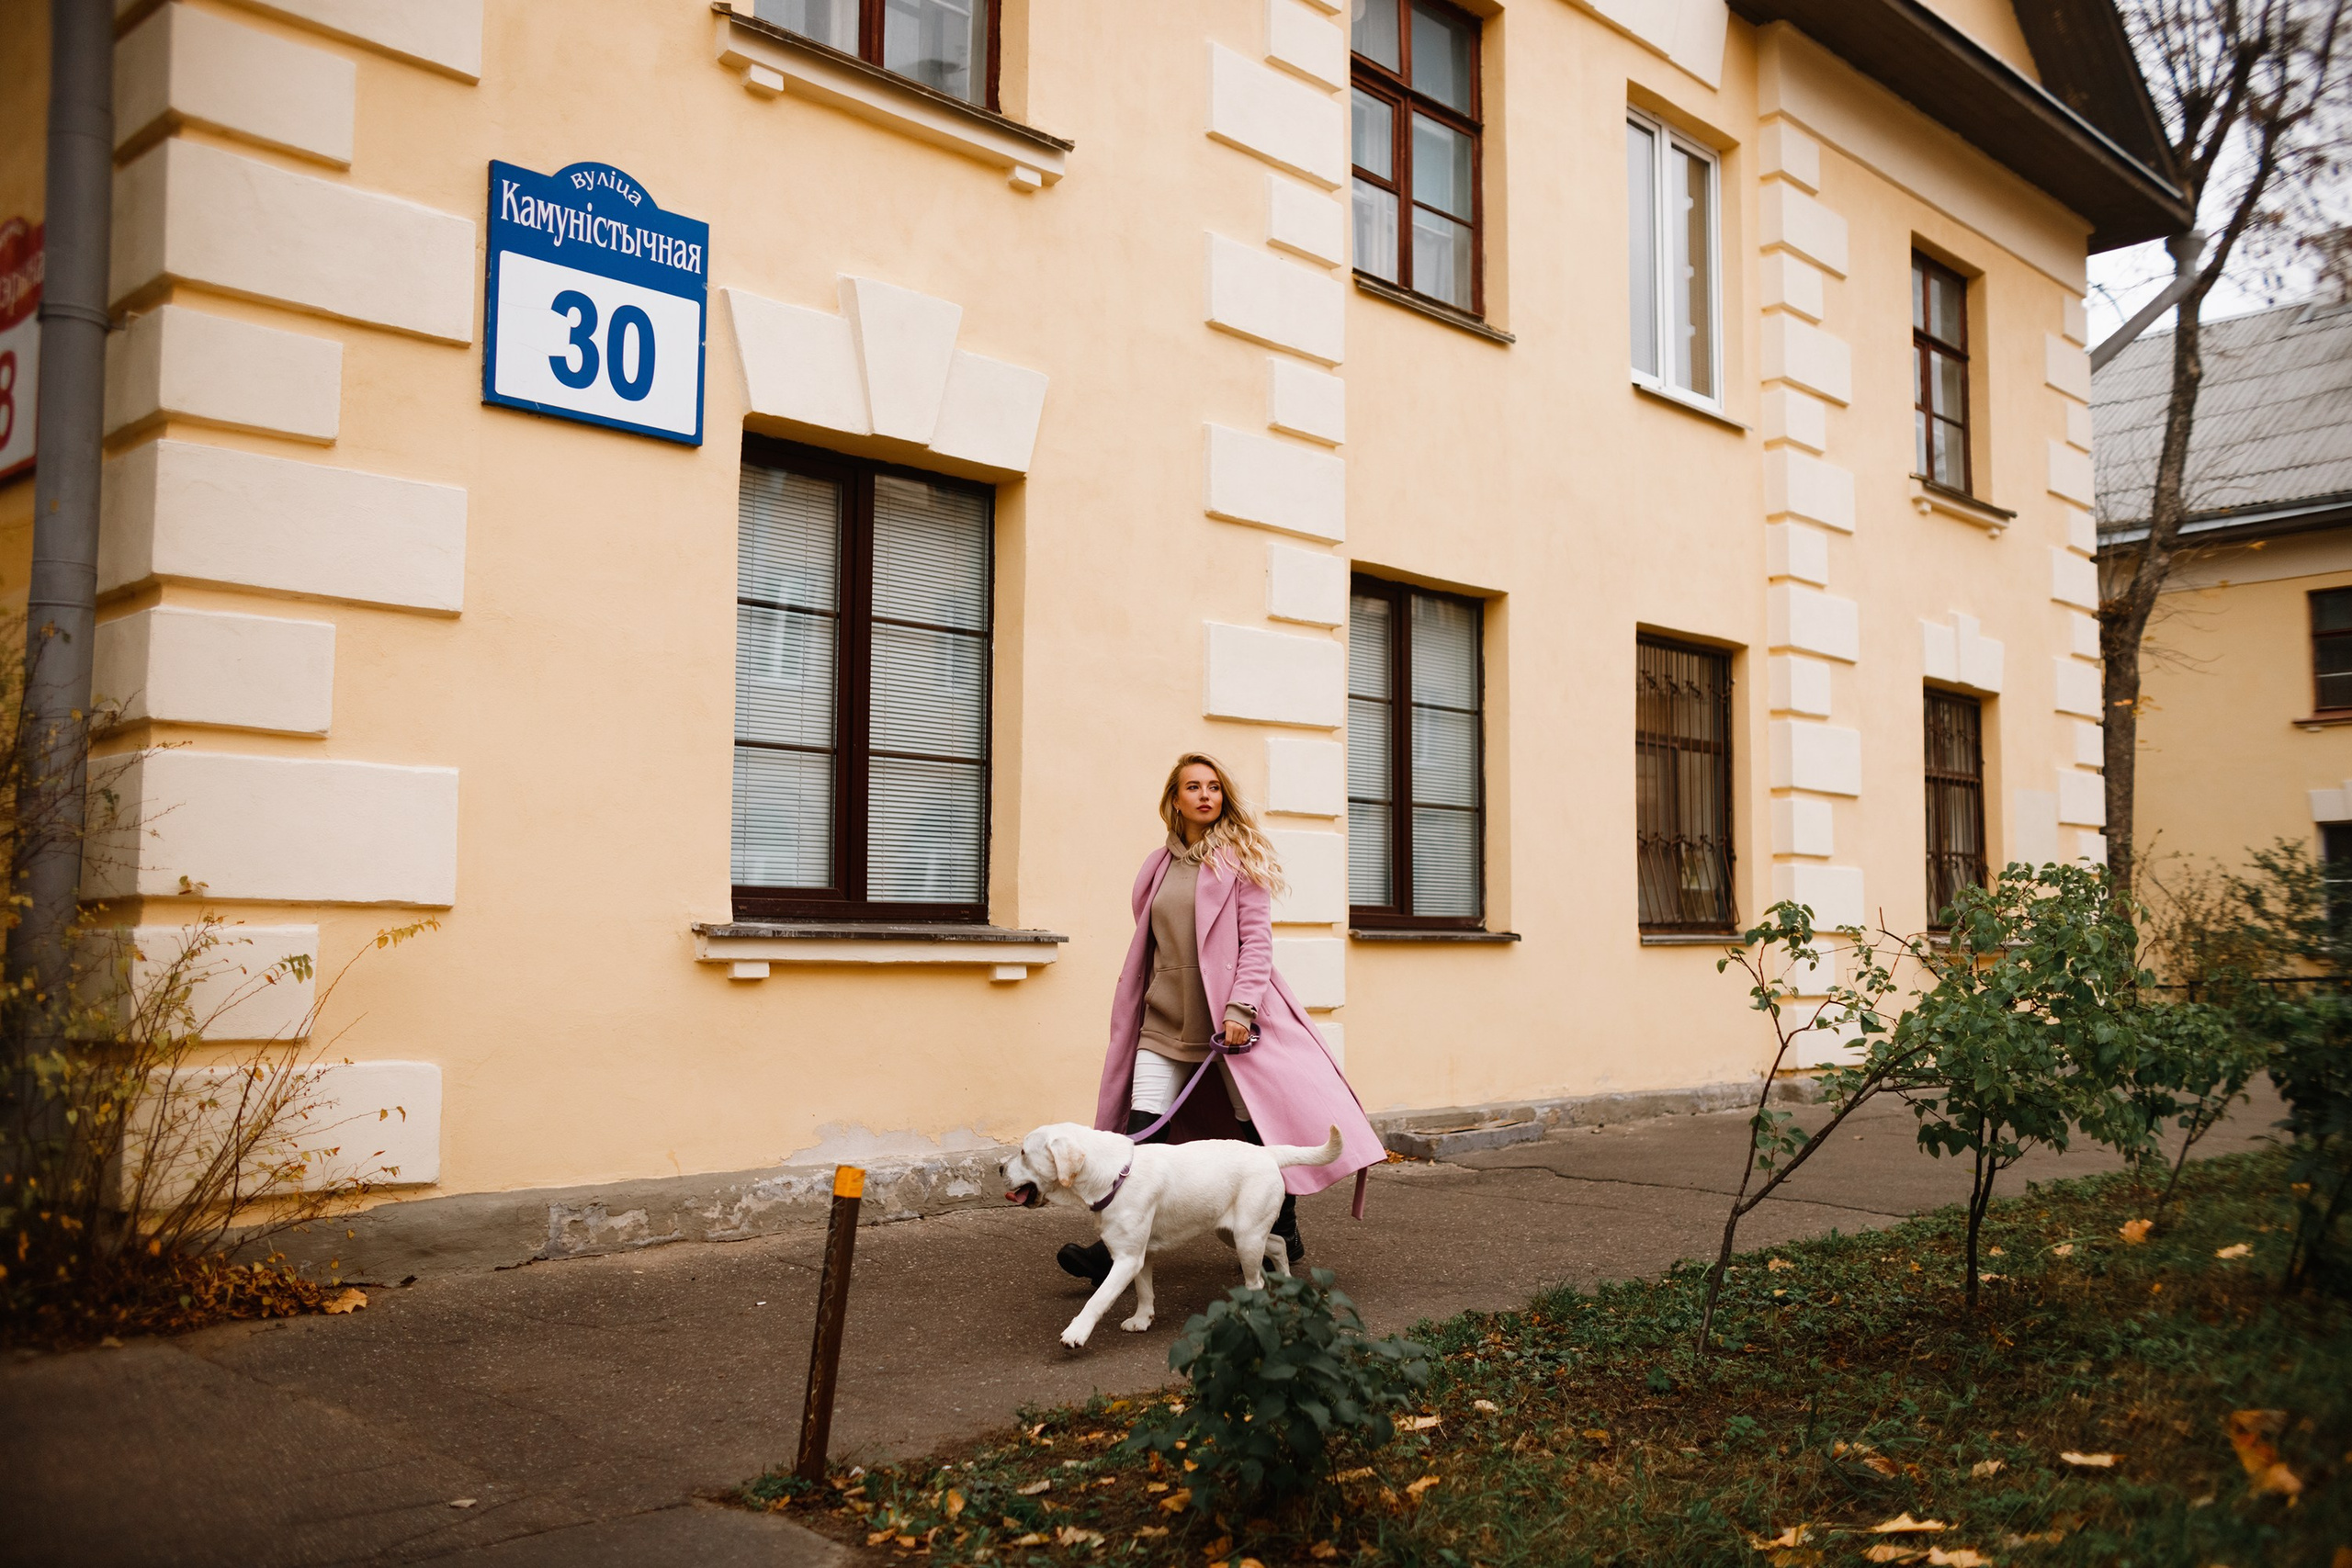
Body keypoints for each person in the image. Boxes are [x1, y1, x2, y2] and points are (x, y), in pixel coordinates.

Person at [1059, 752, 1386, 1288]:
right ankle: (1115, 1248)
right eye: (1194, 787)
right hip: (1165, 1017)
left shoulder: (1240, 860)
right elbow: (1156, 940)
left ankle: (1280, 1221)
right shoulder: (1156, 866)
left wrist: (1241, 1009)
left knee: (1251, 1124)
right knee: (1142, 1129)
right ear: (1175, 799)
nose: (1206, 795)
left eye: (1214, 787)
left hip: (1228, 1021)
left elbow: (1256, 943)